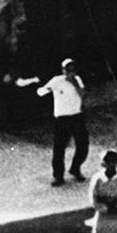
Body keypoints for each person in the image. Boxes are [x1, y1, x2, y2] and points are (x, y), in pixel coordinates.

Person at [30, 58, 89, 186]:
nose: (70, 72)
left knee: (83, 145)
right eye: (68, 69)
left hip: (77, 116)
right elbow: (40, 92)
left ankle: (75, 168)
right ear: (63, 70)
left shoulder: (77, 79)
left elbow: (83, 94)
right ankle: (58, 176)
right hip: (62, 118)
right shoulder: (57, 80)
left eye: (73, 69)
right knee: (59, 148)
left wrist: (74, 83)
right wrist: (48, 89)